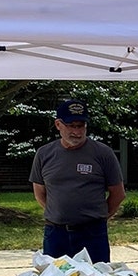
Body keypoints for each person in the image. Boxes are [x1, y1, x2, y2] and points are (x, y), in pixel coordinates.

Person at [29, 100, 125, 263]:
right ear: (58, 124)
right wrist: (60, 213)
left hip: (92, 235)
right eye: (71, 126)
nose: (77, 131)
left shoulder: (103, 153)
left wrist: (96, 217)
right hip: (55, 234)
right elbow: (40, 193)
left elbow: (118, 194)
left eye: (81, 126)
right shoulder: (44, 154)